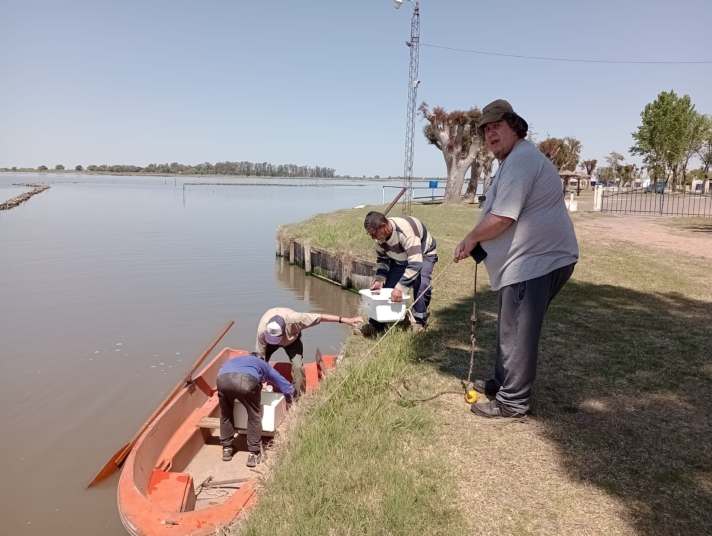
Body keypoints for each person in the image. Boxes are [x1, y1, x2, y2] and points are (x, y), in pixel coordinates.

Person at [454, 99, 579, 419]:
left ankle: (513, 402)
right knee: (509, 327)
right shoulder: (515, 161)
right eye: (486, 130)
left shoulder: (522, 160)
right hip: (527, 263)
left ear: (515, 127)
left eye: (497, 127)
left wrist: (472, 238)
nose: (490, 134)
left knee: (519, 331)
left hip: (535, 262)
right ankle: (501, 383)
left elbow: (502, 218)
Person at [255, 308, 362, 394]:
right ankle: (258, 391)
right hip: (268, 344)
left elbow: (321, 317)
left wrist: (347, 320)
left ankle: (297, 397)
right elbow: (260, 357)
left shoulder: (296, 320)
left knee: (298, 368)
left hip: (292, 341)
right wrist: (262, 380)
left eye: (277, 339)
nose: (276, 342)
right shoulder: (262, 331)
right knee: (259, 368)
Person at [363, 211, 438, 333]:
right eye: (370, 235)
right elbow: (383, 259)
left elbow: (415, 264)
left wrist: (400, 288)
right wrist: (379, 279)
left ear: (384, 226)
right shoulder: (380, 239)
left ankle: (419, 321)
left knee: (421, 285)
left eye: (374, 234)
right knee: (387, 289)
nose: (373, 238)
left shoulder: (406, 233)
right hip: (400, 258)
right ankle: (377, 324)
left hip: (423, 254)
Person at [216, 353, 294, 466]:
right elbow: (282, 383)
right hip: (246, 382)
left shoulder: (235, 359)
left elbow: (223, 371)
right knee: (254, 415)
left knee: (226, 413)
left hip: (222, 380)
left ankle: (227, 448)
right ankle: (254, 453)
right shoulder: (262, 363)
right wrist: (293, 395)